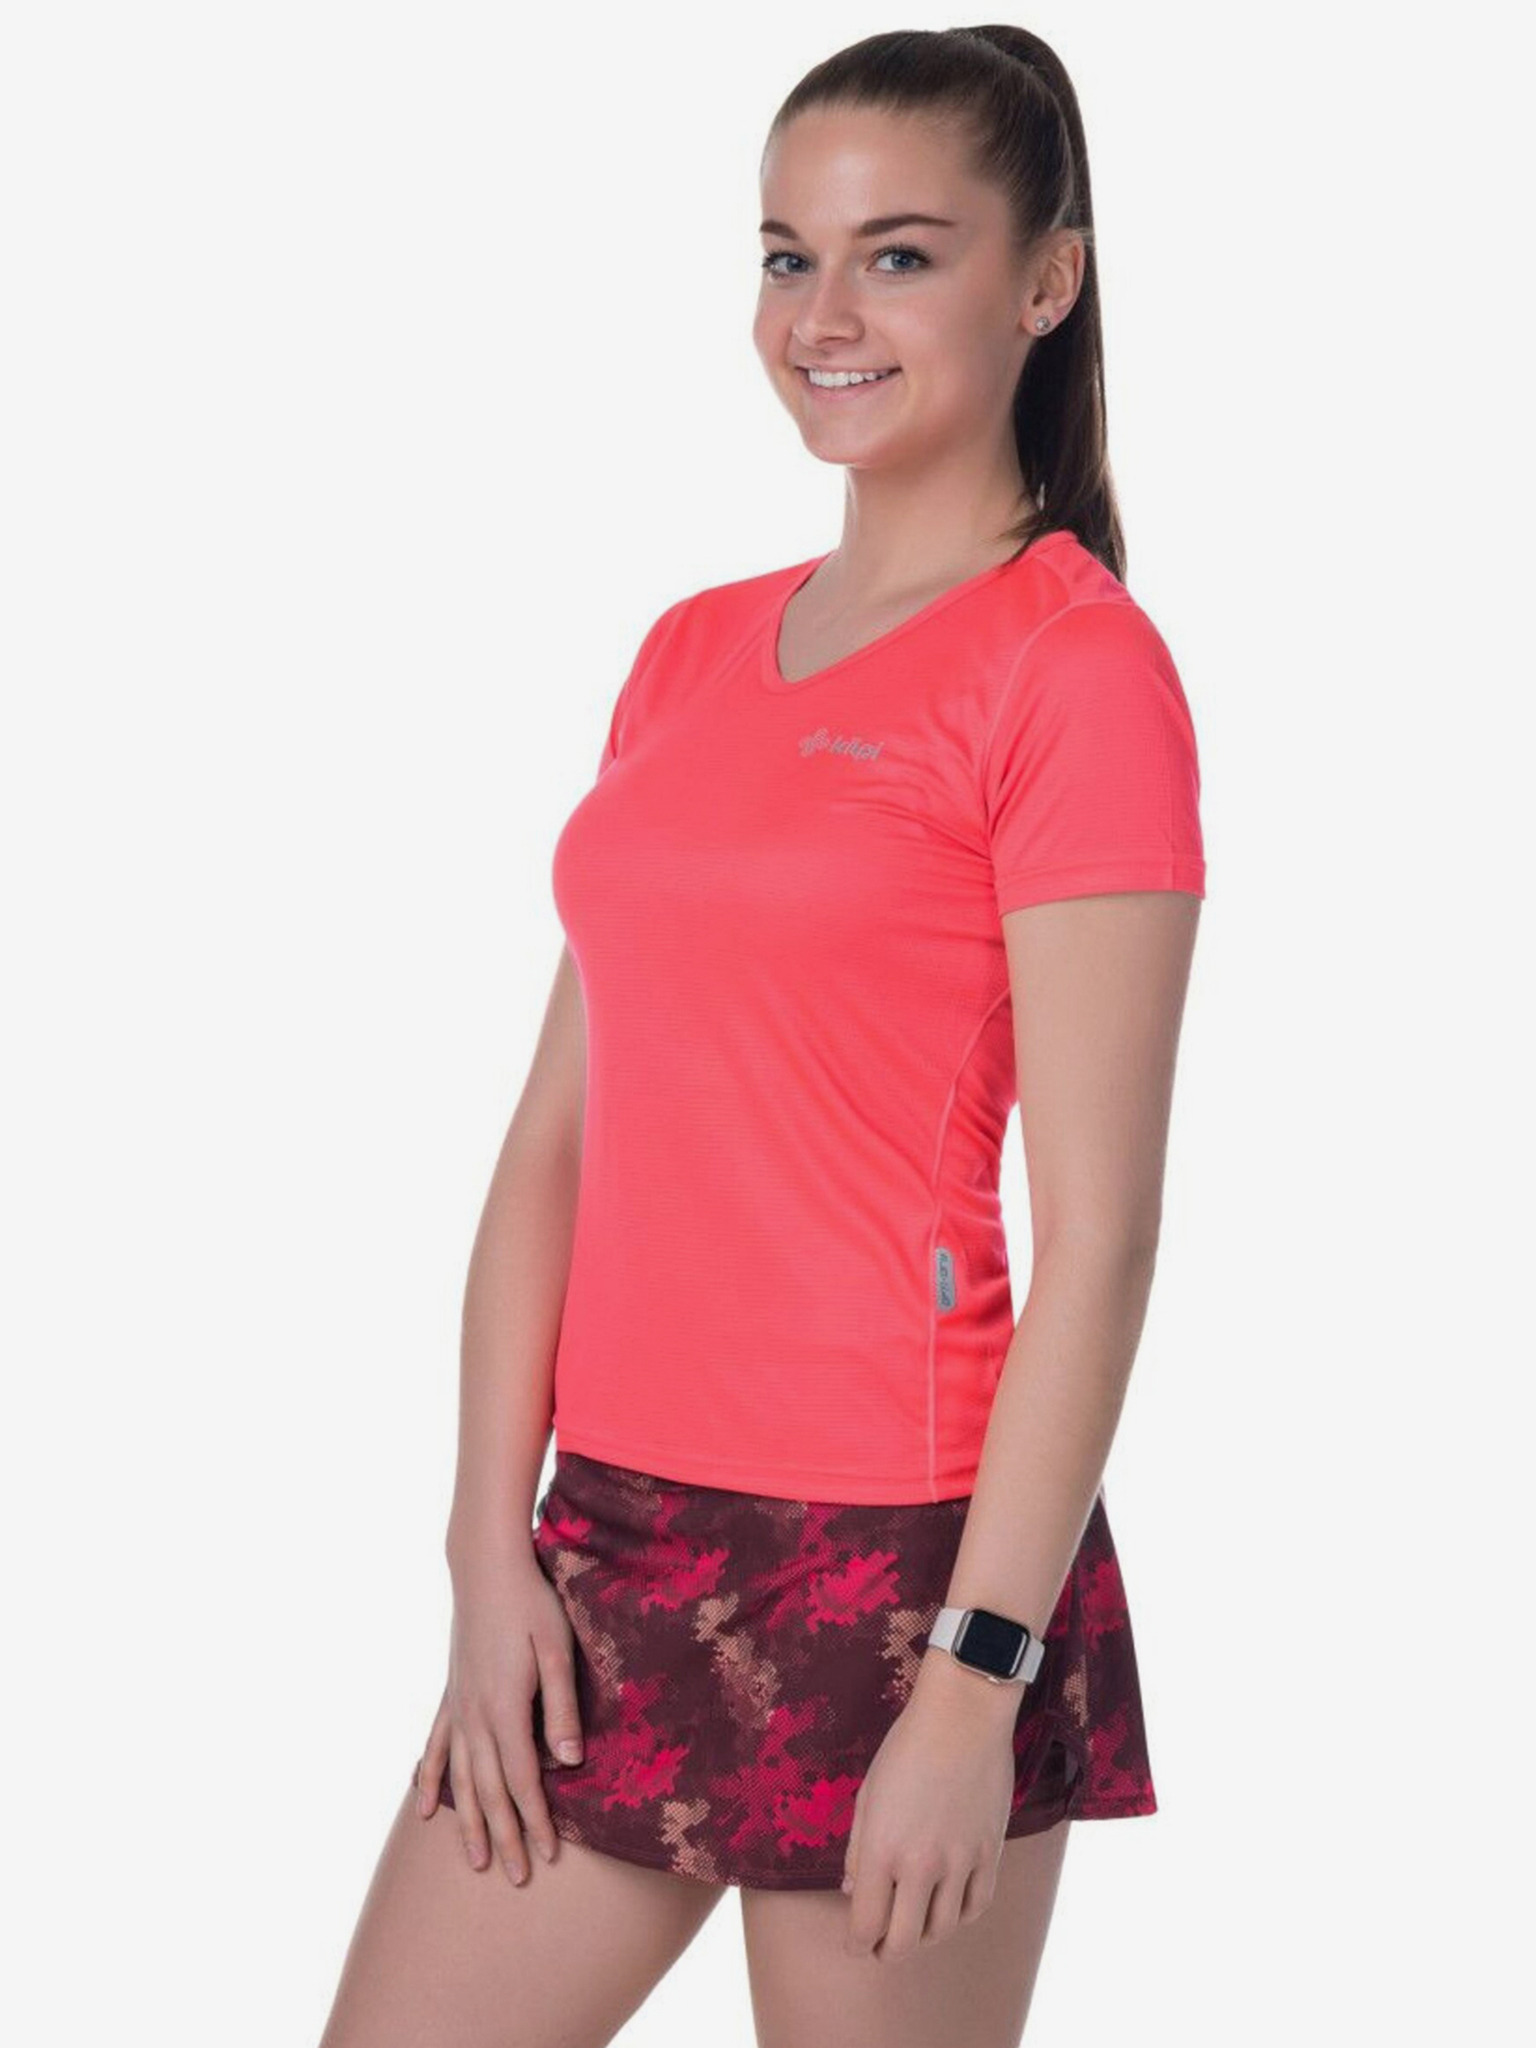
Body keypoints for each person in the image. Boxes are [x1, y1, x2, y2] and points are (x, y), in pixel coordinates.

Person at [318, 24, 1206, 2048]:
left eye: (900, 255)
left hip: (907, 1566)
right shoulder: (691, 649)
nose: (824, 316)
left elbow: (1105, 1232)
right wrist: (485, 1547)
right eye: (789, 256)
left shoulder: (1075, 671)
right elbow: (560, 1135)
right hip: (606, 1540)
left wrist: (975, 1682)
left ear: (1046, 280)